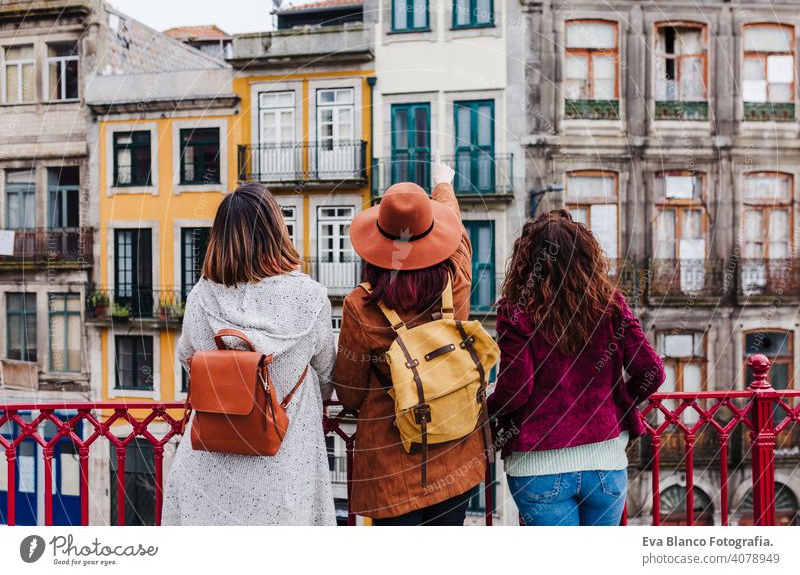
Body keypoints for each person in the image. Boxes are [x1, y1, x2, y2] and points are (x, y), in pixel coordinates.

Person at [162, 183, 336, 526]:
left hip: (206, 471)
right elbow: (329, 374)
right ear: (276, 232)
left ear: (220, 238)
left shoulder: (201, 296)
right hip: (283, 471)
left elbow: (187, 359)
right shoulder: (310, 298)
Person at [333, 154, 486, 526]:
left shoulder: (359, 306)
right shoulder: (458, 282)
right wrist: (443, 184)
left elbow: (349, 395)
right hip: (455, 456)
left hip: (392, 472)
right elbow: (458, 233)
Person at [489, 210, 665, 526]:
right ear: (587, 258)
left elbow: (517, 388)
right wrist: (618, 401)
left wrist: (489, 411)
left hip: (539, 465)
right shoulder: (611, 305)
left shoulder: (516, 311)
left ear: (526, 264)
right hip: (606, 461)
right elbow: (652, 369)